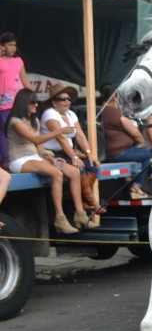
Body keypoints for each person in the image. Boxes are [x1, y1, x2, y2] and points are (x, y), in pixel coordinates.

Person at [4, 89, 86, 233]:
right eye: (33, 102)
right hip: (20, 160)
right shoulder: (15, 121)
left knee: (73, 171)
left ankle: (80, 214)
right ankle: (60, 219)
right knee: (57, 174)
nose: (36, 105)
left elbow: (39, 147)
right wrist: (59, 131)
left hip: (36, 157)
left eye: (37, 102)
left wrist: (50, 157)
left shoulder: (34, 120)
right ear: (24, 103)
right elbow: (35, 139)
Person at [100, 84, 152, 199]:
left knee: (141, 156)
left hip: (110, 152)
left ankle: (132, 183)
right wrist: (141, 142)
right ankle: (135, 186)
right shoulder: (114, 112)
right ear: (115, 97)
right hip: (119, 153)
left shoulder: (99, 111)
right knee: (147, 154)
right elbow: (134, 131)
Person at [40, 85, 99, 181]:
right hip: (53, 154)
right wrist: (74, 157)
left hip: (68, 152)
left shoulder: (71, 114)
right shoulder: (50, 113)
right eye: (62, 99)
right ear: (54, 102)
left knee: (93, 166)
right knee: (79, 168)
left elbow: (80, 135)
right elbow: (61, 138)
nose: (67, 101)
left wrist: (89, 154)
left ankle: (86, 196)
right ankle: (87, 196)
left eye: (68, 99)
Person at [1, 32, 30, 170]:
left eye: (14, 45)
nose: (13, 48)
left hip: (18, 101)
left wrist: (31, 96)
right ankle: (6, 159)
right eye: (9, 45)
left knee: (20, 128)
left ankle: (21, 156)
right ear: (2, 46)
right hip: (3, 102)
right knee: (3, 130)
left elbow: (25, 80)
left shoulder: (18, 61)